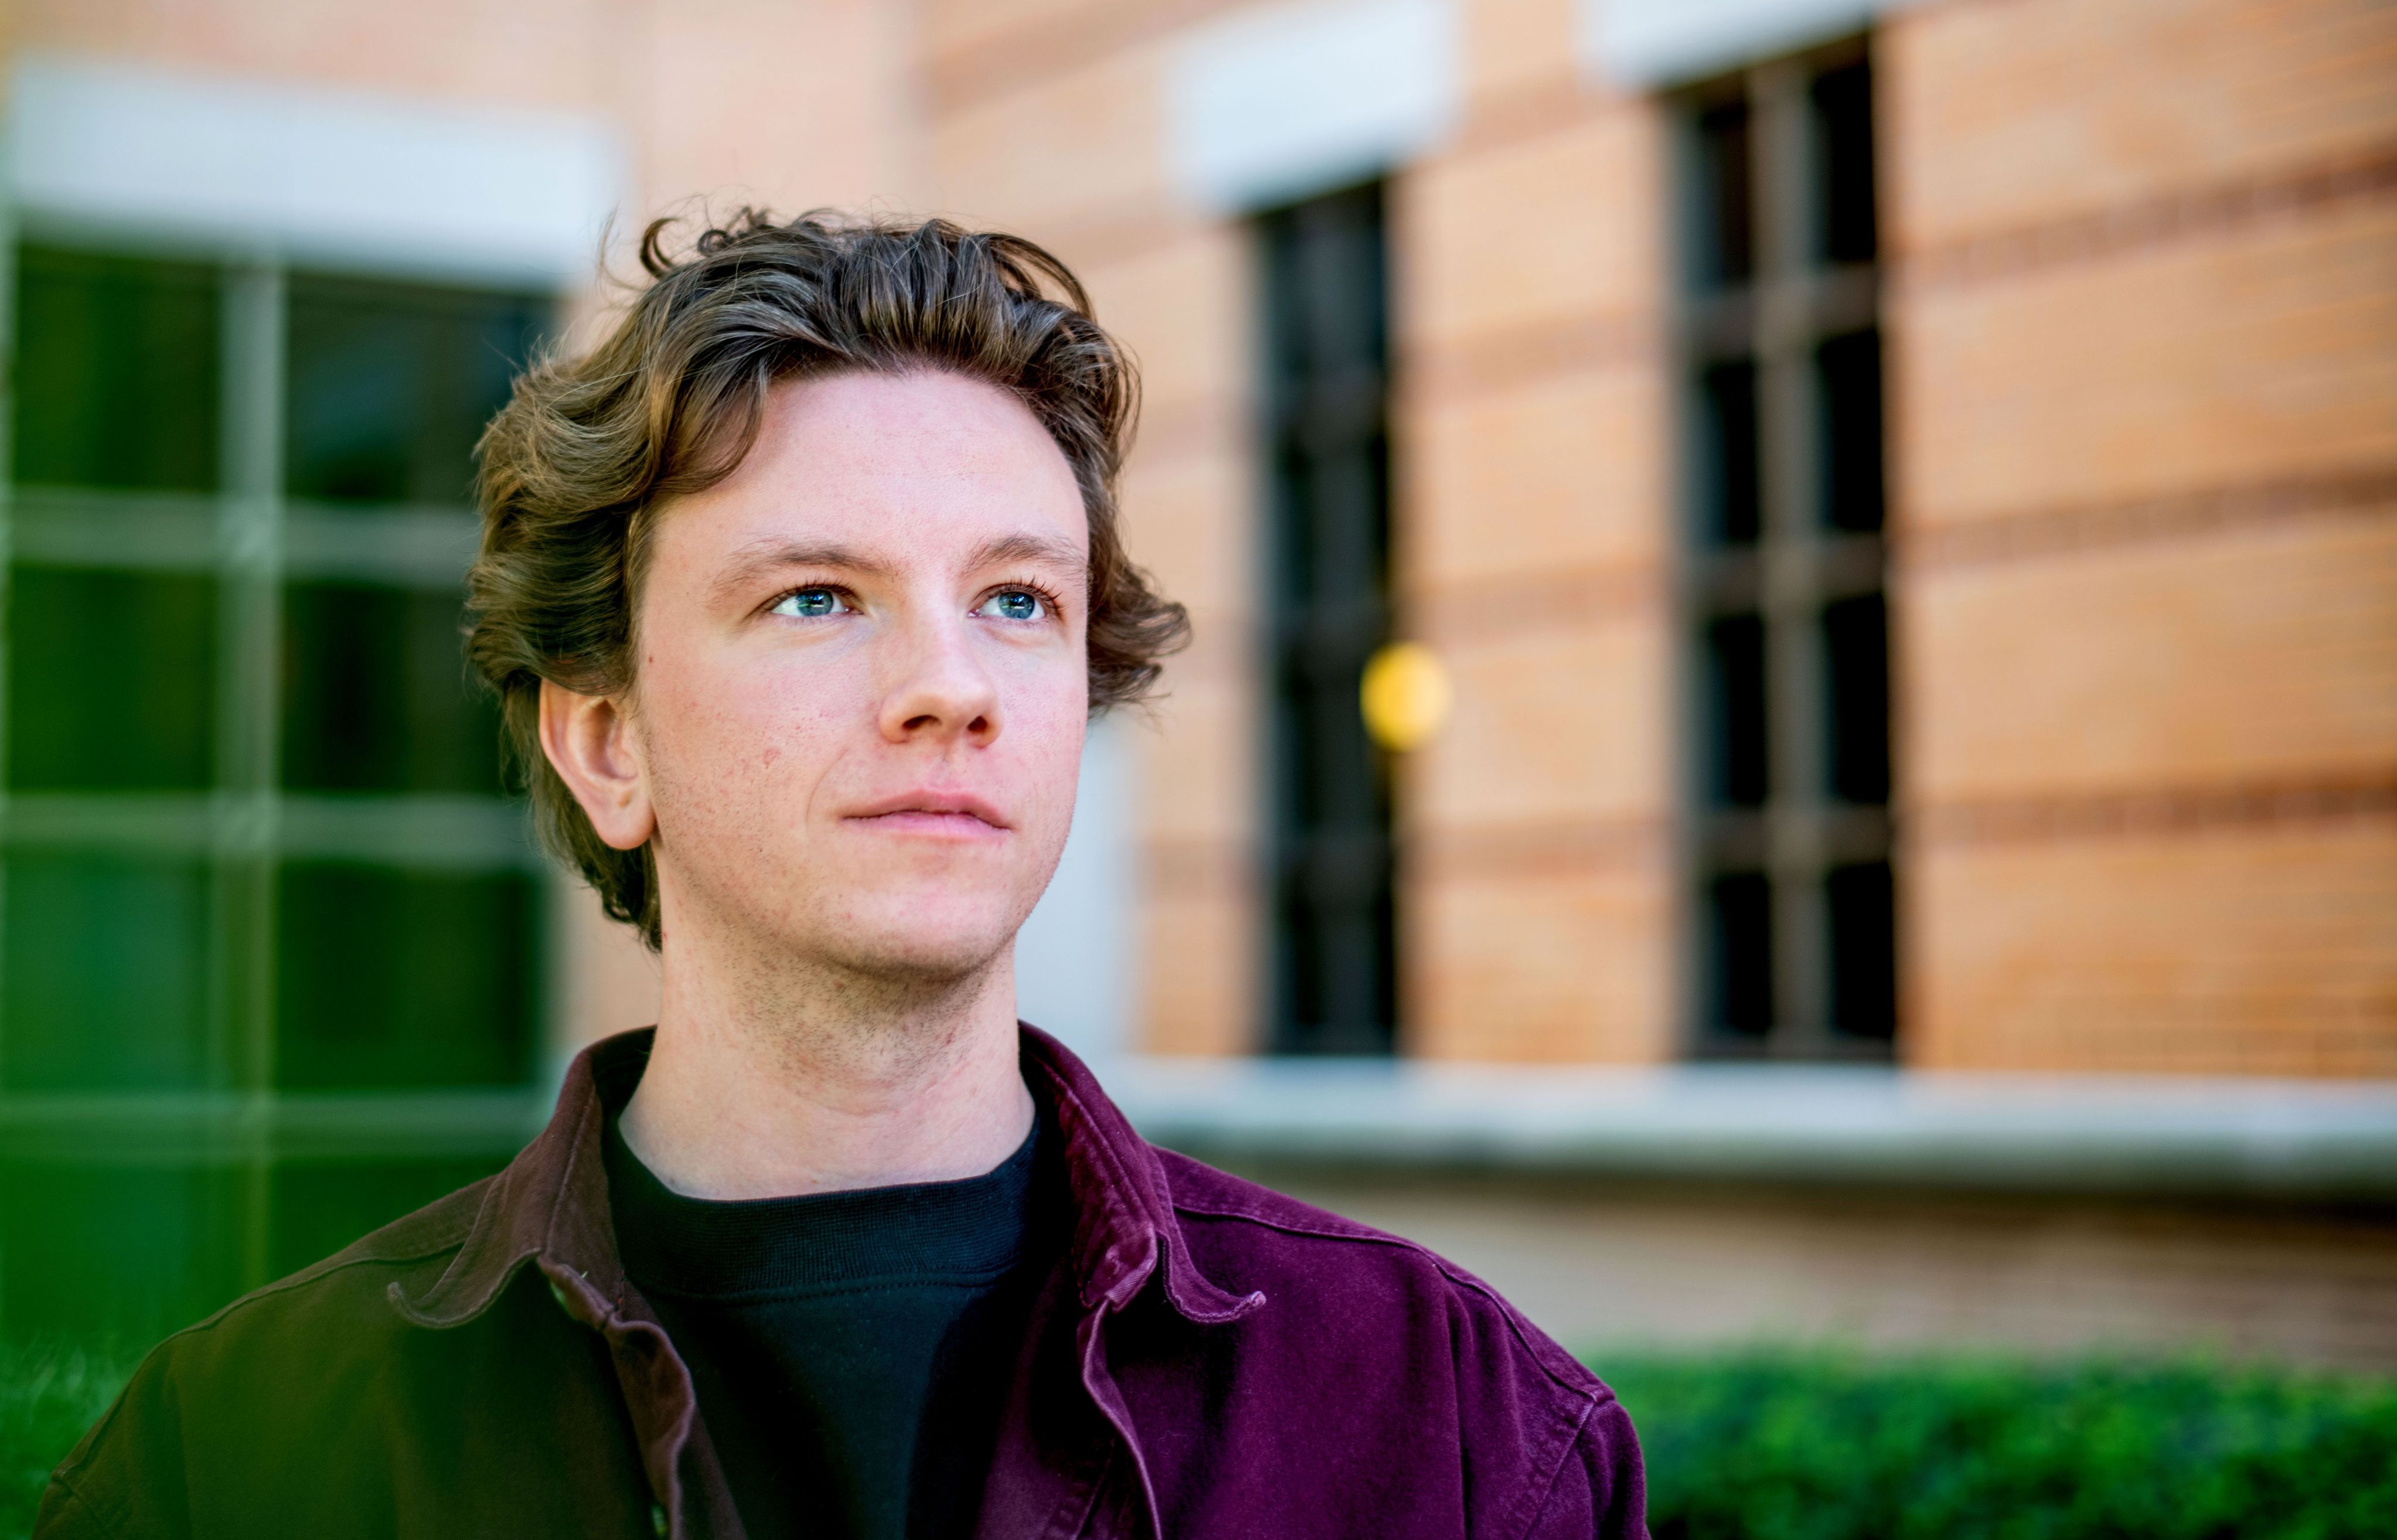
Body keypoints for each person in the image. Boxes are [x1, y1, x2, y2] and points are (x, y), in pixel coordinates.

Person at [36, 212, 1646, 1539]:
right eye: (818, 597)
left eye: (1017, 600)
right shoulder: (233, 1460)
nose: (951, 685)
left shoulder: (1453, 1432)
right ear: (608, 744)